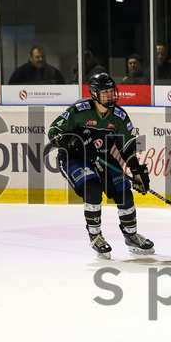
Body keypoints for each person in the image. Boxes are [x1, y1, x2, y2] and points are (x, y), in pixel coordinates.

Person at [47, 73, 153, 258]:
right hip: (73, 158)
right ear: (95, 94)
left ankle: (131, 234)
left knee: (123, 190)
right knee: (93, 187)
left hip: (102, 157)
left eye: (112, 92)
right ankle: (95, 236)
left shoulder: (119, 116)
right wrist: (77, 143)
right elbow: (54, 132)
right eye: (105, 93)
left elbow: (126, 146)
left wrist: (136, 169)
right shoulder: (79, 111)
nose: (110, 96)